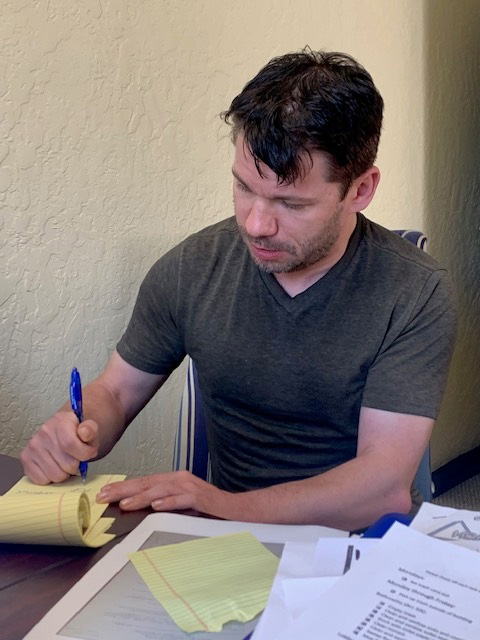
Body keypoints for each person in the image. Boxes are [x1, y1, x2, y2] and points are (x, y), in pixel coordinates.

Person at [20, 49, 456, 532]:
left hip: (358, 542)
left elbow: (381, 490)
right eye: (245, 187)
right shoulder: (191, 268)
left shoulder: (415, 292)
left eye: (290, 203)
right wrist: (74, 429)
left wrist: (220, 504)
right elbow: (115, 393)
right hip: (226, 540)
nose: (255, 223)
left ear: (360, 190)